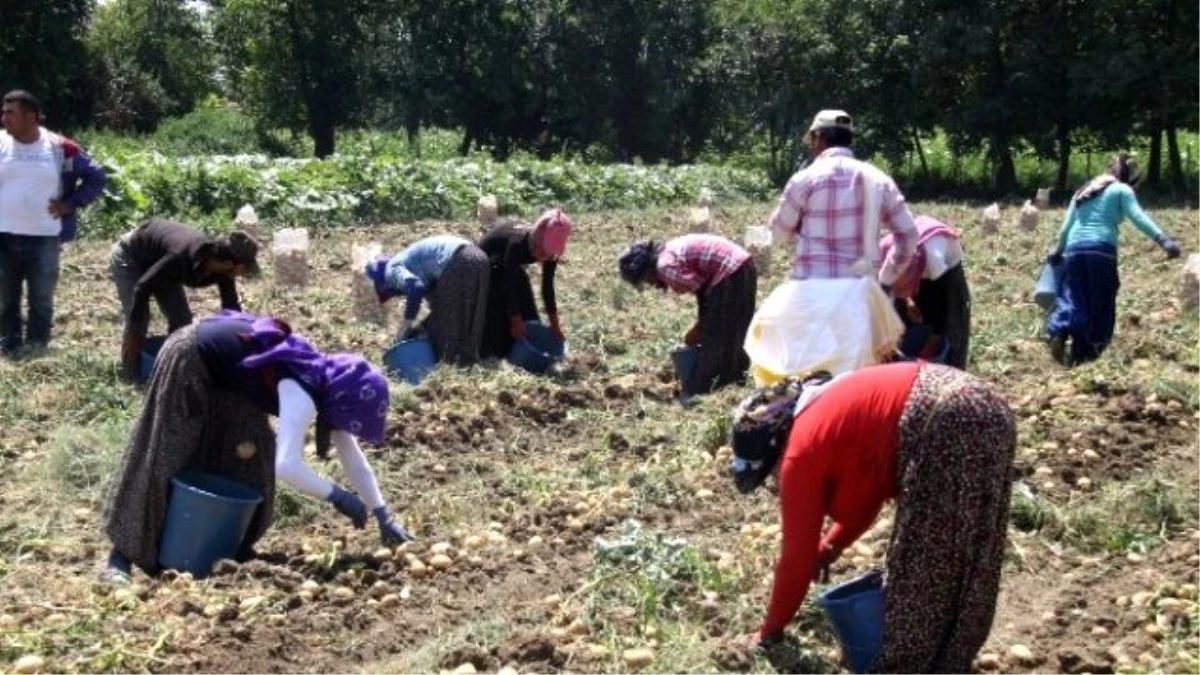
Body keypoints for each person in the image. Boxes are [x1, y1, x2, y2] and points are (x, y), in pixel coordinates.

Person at [731, 362, 1015, 671]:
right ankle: (950, 657)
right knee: (973, 549)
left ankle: (908, 665)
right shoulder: (823, 409)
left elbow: (796, 559)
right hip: (989, 408)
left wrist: (769, 630)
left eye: (769, 474)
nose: (775, 481)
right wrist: (829, 548)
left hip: (945, 419)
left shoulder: (799, 453)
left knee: (921, 564)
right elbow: (866, 499)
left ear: (775, 447)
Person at [102, 310, 413, 583]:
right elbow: (288, 466)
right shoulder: (302, 391)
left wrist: (383, 514)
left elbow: (352, 457)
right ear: (342, 403)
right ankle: (121, 556)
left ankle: (226, 548)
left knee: (253, 457)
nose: (345, 427)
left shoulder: (327, 384)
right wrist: (338, 496)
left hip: (233, 376)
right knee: (165, 451)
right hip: (190, 354)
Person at [744, 110, 916, 384]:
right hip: (859, 294)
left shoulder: (805, 179)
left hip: (809, 294)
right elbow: (908, 236)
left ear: (819, 138)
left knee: (801, 373)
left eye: (812, 140)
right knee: (852, 382)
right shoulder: (877, 179)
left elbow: (776, 234)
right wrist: (888, 276)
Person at [1046, 153, 1182, 365]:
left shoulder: (1082, 192)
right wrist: (1164, 240)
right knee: (1102, 299)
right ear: (1129, 177)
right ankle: (1088, 352)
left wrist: (1058, 250)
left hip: (1073, 250)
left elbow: (1065, 228)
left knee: (1074, 295)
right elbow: (1138, 217)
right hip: (1100, 250)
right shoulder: (1121, 189)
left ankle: (1061, 331)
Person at [0, 90, 108, 357]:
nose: (4, 118)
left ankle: (37, 345)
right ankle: (8, 341)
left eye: (10, 113)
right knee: (5, 297)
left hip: (44, 237)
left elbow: (97, 177)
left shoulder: (60, 147)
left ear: (31, 116)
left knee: (41, 298)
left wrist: (70, 204)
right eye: (3, 112)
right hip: (3, 236)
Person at [112, 218, 261, 380]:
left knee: (181, 320)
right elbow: (142, 288)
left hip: (160, 262)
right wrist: (135, 326)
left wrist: (240, 342)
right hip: (131, 256)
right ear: (228, 263)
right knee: (140, 319)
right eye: (245, 268)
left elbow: (231, 308)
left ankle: (172, 367)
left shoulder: (224, 272)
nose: (245, 273)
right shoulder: (180, 257)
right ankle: (130, 372)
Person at [617, 234, 758, 395]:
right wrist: (702, 324)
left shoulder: (665, 267)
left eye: (646, 279)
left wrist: (701, 328)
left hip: (729, 272)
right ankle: (734, 383)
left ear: (647, 268)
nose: (650, 284)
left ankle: (703, 390)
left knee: (715, 337)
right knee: (736, 330)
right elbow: (706, 293)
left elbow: (705, 293)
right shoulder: (668, 253)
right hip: (743, 265)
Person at [365, 234, 490, 365]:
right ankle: (469, 362)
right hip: (479, 258)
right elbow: (435, 298)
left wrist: (407, 324)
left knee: (445, 321)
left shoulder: (390, 270)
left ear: (381, 284)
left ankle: (448, 363)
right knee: (471, 315)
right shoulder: (412, 262)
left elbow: (415, 287)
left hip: (459, 261)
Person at [878, 215, 970, 369]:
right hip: (915, 265)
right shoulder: (885, 251)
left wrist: (931, 346)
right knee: (905, 315)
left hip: (947, 272)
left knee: (950, 323)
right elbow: (887, 292)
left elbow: (944, 303)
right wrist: (907, 300)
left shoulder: (934, 262)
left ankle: (952, 367)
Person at [478, 208, 572, 359]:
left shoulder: (550, 253)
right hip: (487, 265)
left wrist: (555, 325)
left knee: (527, 308)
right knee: (501, 307)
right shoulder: (518, 243)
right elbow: (508, 284)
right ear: (536, 238)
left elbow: (547, 287)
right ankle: (499, 349)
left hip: (508, 266)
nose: (543, 256)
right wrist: (515, 320)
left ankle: (528, 341)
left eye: (547, 254)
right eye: (540, 250)